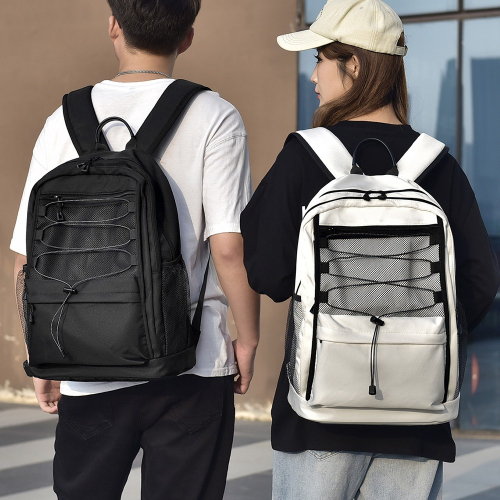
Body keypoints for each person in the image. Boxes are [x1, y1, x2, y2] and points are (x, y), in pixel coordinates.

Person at [240, 0, 499, 498]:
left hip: (319, 413)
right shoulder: (438, 165)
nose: (313, 75)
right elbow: (481, 281)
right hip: (417, 416)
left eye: (319, 59)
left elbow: (268, 274)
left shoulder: (304, 157)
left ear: (354, 65)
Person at [11, 1, 260, 498]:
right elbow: (229, 248)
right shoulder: (215, 115)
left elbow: (27, 258)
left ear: (113, 26)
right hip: (192, 362)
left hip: (86, 362)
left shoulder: (63, 119)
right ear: (187, 36)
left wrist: (40, 352)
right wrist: (248, 339)